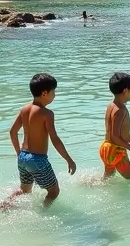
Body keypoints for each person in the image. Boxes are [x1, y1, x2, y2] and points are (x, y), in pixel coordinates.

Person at [5, 73, 77, 207]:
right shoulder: (47, 114)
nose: (54, 95)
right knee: (54, 191)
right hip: (38, 159)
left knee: (24, 190)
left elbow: (12, 132)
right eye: (53, 92)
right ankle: (41, 212)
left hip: (23, 157)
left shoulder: (24, 109)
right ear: (45, 93)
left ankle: (4, 206)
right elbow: (55, 139)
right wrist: (69, 159)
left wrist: (19, 153)